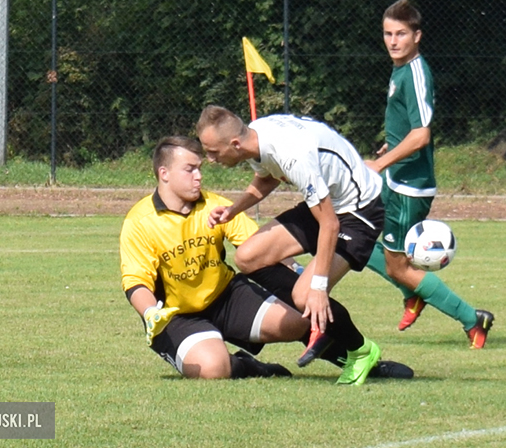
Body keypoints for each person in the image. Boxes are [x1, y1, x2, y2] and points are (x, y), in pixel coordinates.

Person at [120, 135, 412, 384]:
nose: (199, 175)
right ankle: (248, 366)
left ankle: (359, 362)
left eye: (199, 168)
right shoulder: (140, 221)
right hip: (175, 315)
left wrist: (299, 277)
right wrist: (151, 315)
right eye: (190, 169)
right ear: (164, 173)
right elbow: (135, 282)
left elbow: (257, 247)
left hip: (225, 296)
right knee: (213, 369)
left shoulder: (214, 205)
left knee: (300, 319)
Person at [196, 106, 387, 385]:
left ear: (235, 144)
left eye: (213, 152)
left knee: (306, 295)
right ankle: (313, 312)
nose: (210, 160)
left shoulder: (293, 154)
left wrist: (319, 288)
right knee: (248, 257)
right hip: (328, 204)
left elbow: (330, 225)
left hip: (359, 212)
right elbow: (268, 176)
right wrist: (233, 210)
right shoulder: (256, 135)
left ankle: (361, 351)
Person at [363, 0, 495, 348]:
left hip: (409, 187)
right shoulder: (400, 69)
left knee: (397, 266)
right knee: (357, 241)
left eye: (401, 34)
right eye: (388, 33)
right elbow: (408, 127)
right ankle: (412, 291)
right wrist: (390, 148)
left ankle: (472, 318)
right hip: (396, 177)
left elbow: (422, 134)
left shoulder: (417, 73)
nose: (393, 41)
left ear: (417, 36)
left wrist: (379, 164)